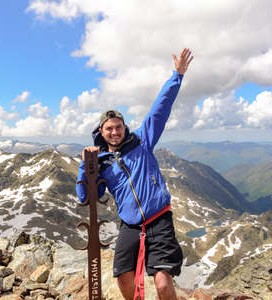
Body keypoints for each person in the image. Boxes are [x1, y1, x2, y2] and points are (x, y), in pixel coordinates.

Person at [76, 48, 193, 300]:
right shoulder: (101, 162)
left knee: (162, 284)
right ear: (101, 131)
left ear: (124, 127)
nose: (115, 132)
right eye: (109, 128)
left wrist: (177, 76)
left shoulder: (142, 140)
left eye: (118, 127)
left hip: (159, 219)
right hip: (130, 225)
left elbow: (160, 108)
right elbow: (87, 196)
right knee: (123, 278)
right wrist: (85, 166)